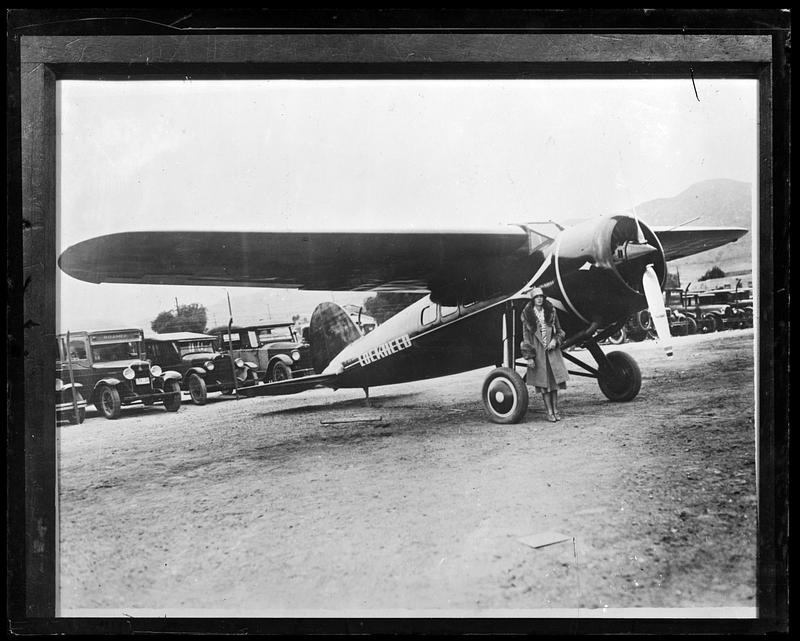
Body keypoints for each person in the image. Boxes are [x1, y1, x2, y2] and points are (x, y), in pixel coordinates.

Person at [520, 287, 569, 422]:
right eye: (537, 297)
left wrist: (555, 340)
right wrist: (529, 357)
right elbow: (526, 337)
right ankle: (549, 412)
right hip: (538, 352)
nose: (539, 299)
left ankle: (556, 410)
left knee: (554, 384)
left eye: (541, 296)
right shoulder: (527, 315)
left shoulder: (551, 311)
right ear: (533, 300)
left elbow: (560, 331)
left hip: (552, 351)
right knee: (544, 385)